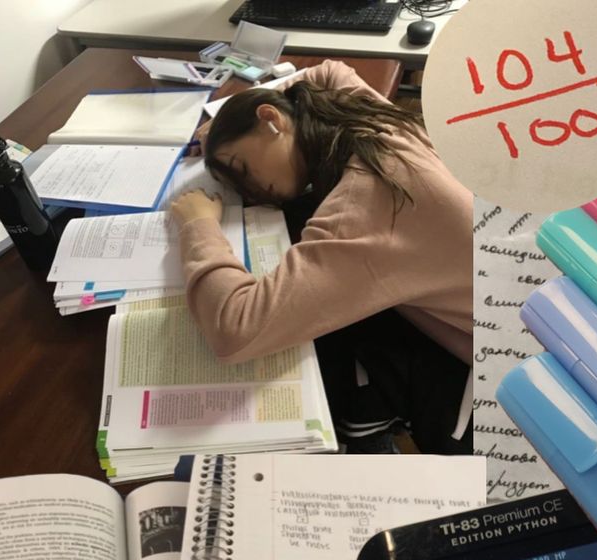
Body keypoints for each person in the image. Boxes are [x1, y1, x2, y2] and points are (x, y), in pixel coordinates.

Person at [170, 60, 473, 454]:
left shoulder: (368, 203)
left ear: (271, 119)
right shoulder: (360, 117)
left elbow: (235, 327)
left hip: (492, 370)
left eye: (243, 168)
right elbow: (328, 71)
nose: (249, 190)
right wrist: (235, 117)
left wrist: (198, 226)